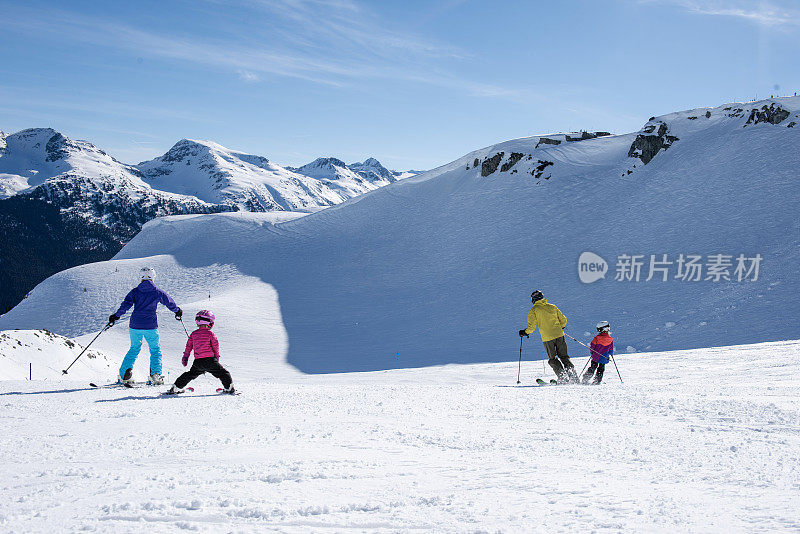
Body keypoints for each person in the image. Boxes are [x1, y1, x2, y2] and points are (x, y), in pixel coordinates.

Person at [109, 267, 182, 385]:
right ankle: (155, 375)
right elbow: (169, 302)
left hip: (135, 325)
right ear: (153, 277)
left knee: (134, 349)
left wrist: (116, 316)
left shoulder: (135, 291)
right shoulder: (157, 292)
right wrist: (177, 311)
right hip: (150, 326)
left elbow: (125, 305)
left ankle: (124, 375)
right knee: (155, 350)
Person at [166, 310, 235, 394]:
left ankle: (176, 387)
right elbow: (215, 346)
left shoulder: (193, 334)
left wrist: (185, 357)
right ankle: (229, 388)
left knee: (190, 374)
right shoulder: (210, 334)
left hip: (198, 362)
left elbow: (188, 347)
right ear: (210, 322)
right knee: (223, 373)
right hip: (210, 361)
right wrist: (216, 357)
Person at [519, 290, 578, 383]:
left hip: (547, 338)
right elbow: (563, 320)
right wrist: (559, 327)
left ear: (533, 299)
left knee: (553, 359)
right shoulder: (552, 307)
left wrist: (525, 332)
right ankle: (573, 377)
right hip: (559, 335)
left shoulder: (534, 310)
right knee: (564, 357)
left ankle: (563, 378)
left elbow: (532, 327)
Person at [583, 321, 614, 385]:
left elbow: (592, 346)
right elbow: (611, 349)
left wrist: (592, 353)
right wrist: (611, 354)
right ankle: (597, 380)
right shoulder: (610, 339)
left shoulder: (597, 338)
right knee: (601, 368)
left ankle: (586, 378)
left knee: (593, 367)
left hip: (596, 356)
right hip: (604, 357)